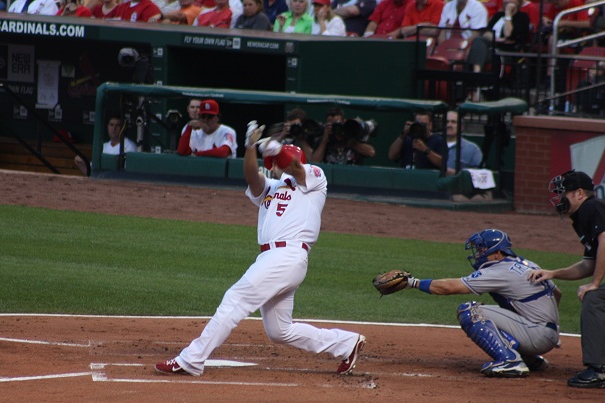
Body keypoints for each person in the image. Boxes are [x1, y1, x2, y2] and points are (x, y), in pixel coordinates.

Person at [155, 122, 367, 376]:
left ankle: (191, 359)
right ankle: (346, 344)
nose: (274, 169)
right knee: (280, 330)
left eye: (276, 164)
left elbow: (295, 167)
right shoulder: (271, 187)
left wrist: (276, 149)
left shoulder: (313, 179)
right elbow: (251, 177)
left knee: (235, 299)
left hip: (287, 255)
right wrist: (250, 147)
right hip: (274, 259)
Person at [399, 229, 561, 377]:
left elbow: (450, 287)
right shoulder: (527, 264)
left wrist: (413, 283)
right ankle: (530, 359)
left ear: (497, 253)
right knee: (503, 311)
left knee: (470, 311)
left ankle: (510, 360)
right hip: (543, 333)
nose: (478, 254)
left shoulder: (499, 271)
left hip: (536, 336)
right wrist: (552, 325)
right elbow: (556, 293)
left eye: (482, 250)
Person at [529, 171, 605, 388]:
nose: (560, 199)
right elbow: (587, 265)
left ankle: (598, 371)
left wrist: (595, 283)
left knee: (595, 299)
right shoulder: (582, 217)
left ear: (579, 193)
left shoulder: (594, 207)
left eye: (564, 194)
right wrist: (553, 273)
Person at [311, 107, 375, 165]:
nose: (335, 127)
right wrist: (324, 140)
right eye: (331, 124)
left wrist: (350, 141)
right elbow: (314, 162)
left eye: (337, 123)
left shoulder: (353, 135)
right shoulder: (323, 139)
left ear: (344, 122)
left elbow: (371, 152)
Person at [445, 110, 482, 175]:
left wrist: (455, 174)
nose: (449, 125)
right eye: (446, 122)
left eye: (453, 122)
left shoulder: (472, 149)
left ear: (461, 127)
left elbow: (480, 175)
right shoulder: (434, 144)